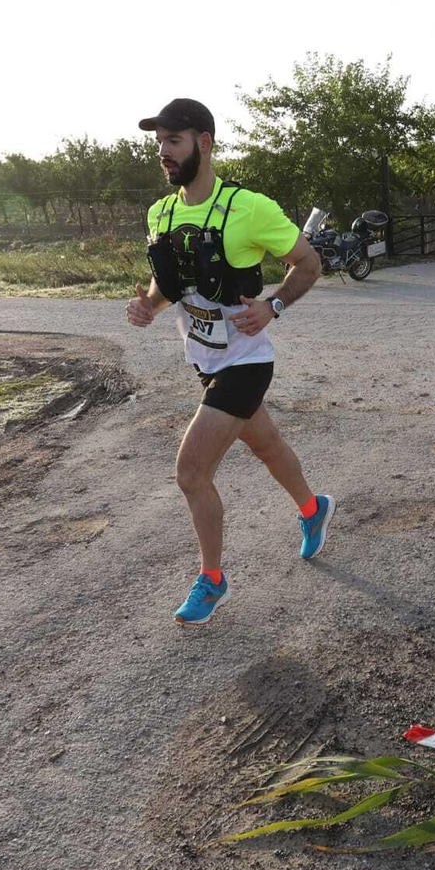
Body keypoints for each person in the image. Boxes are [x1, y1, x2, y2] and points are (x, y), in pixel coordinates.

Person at [125, 98, 332, 625]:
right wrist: (149, 304)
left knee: (191, 472)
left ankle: (212, 580)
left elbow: (309, 263)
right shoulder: (161, 212)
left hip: (247, 361)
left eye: (174, 141)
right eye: (159, 143)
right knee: (266, 445)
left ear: (205, 143)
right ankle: (314, 508)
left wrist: (273, 305)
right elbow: (170, 283)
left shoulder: (249, 207)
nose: (164, 153)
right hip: (206, 361)